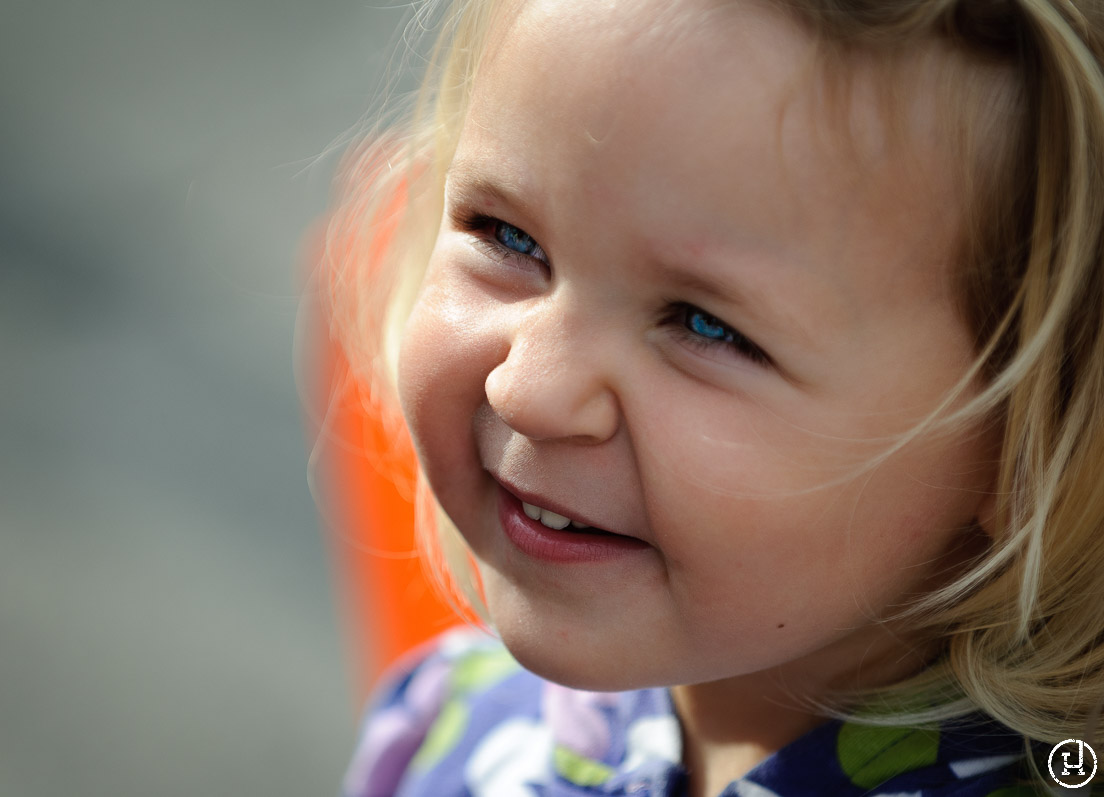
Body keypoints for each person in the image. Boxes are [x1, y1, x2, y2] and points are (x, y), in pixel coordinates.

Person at [316, 0, 1104, 795]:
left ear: (1038, 443)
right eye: (506, 235)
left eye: (705, 326)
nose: (528, 390)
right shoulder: (447, 722)